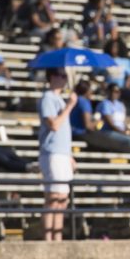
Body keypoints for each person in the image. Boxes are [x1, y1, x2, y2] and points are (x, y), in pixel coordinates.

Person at [38, 68, 77, 241]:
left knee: (63, 199)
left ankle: (58, 238)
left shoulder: (59, 99)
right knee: (53, 197)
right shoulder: (48, 98)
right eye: (61, 75)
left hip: (62, 153)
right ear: (52, 76)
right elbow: (53, 124)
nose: (64, 79)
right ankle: (49, 239)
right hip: (52, 153)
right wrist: (69, 106)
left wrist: (69, 155)